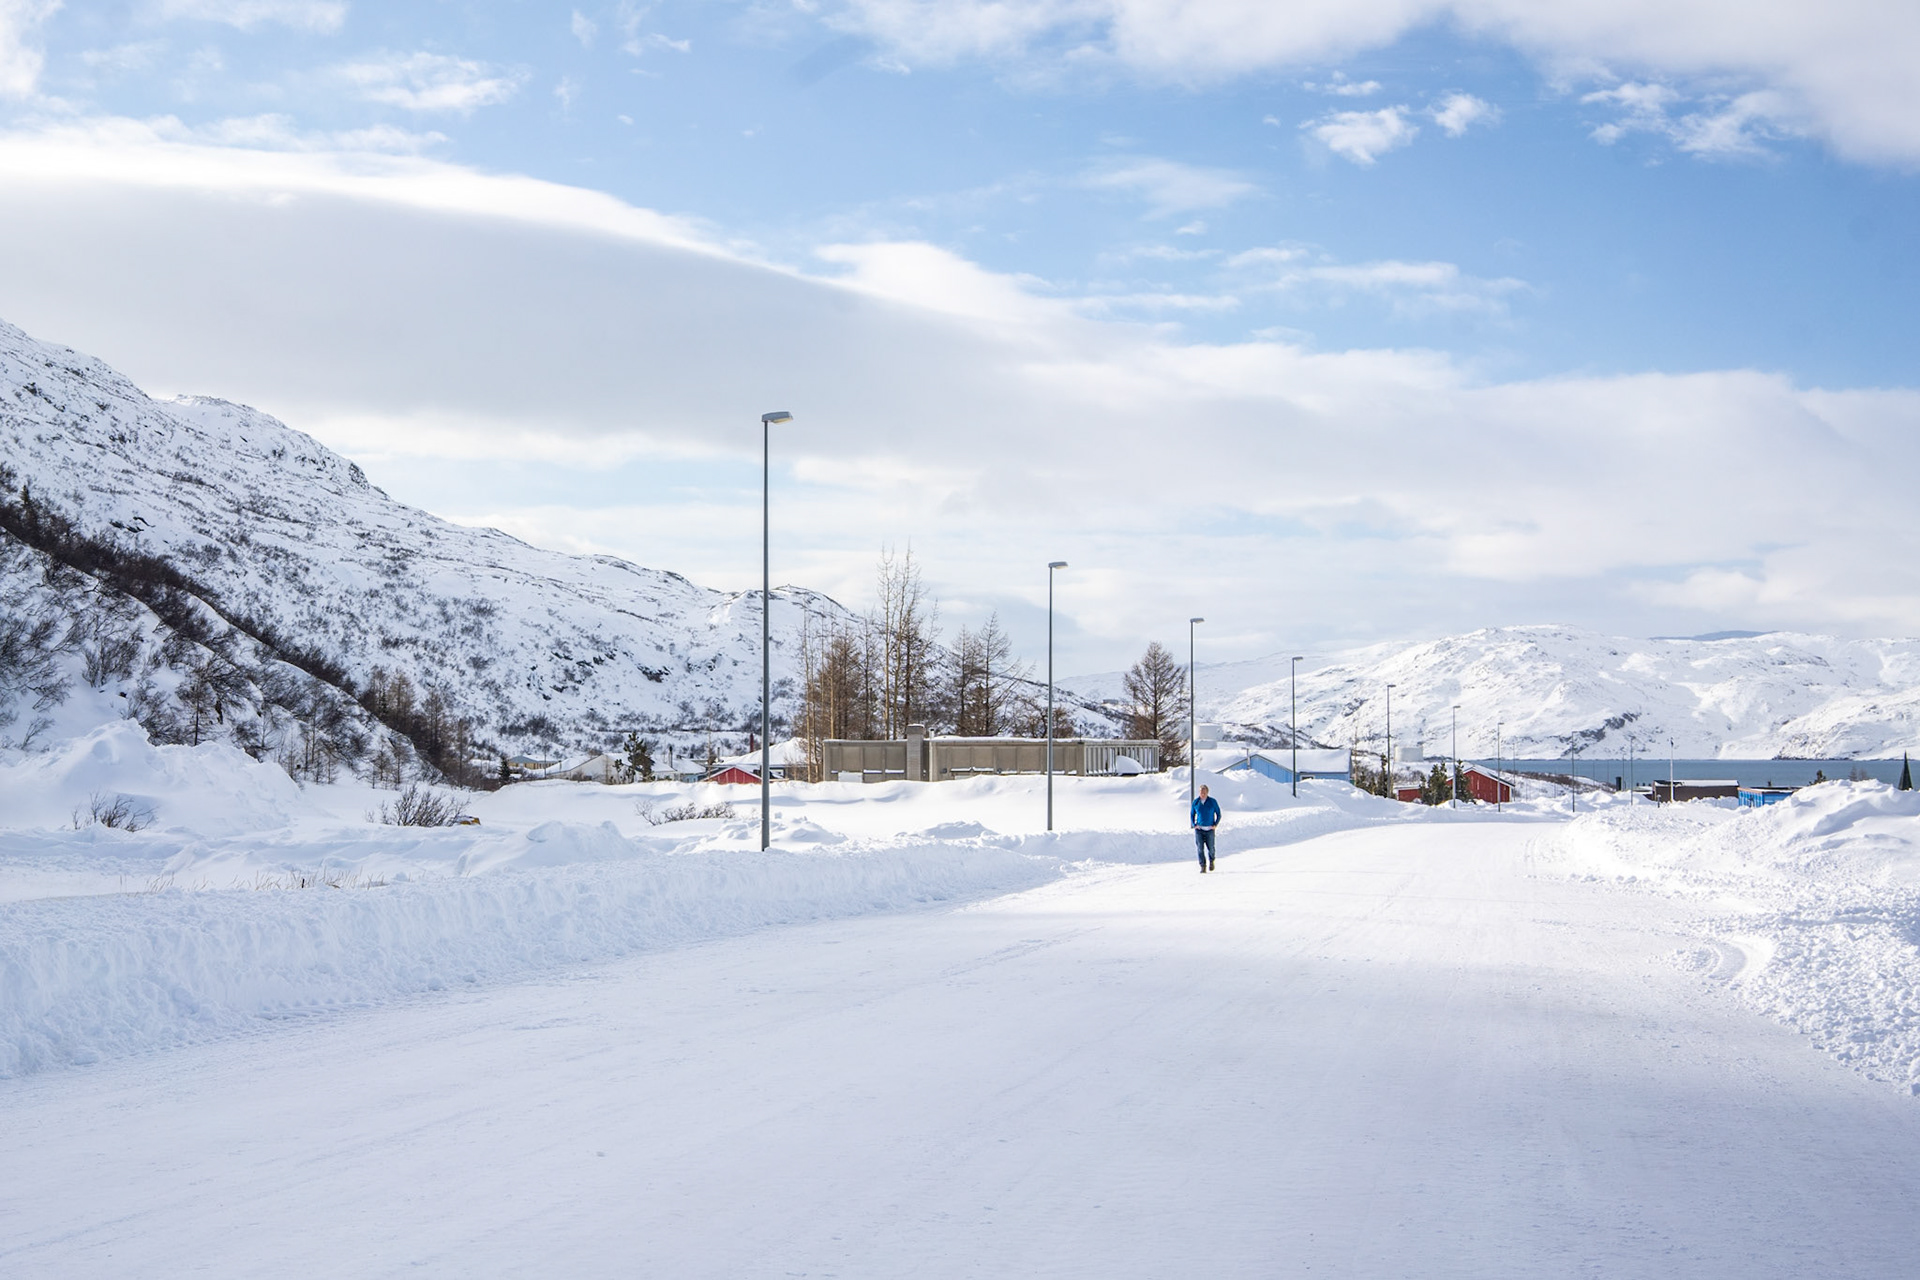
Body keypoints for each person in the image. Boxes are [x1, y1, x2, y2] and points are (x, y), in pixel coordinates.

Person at [1191, 784, 1221, 872]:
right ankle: (1202, 866)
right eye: (1201, 792)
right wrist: (1194, 824)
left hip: (1209, 829)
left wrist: (1215, 824)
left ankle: (1212, 861)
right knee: (1200, 848)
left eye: (1204, 792)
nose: (1202, 794)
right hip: (1199, 829)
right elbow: (1192, 814)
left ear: (1207, 792)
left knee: (1211, 847)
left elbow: (1218, 814)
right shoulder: (1196, 802)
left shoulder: (1212, 802)